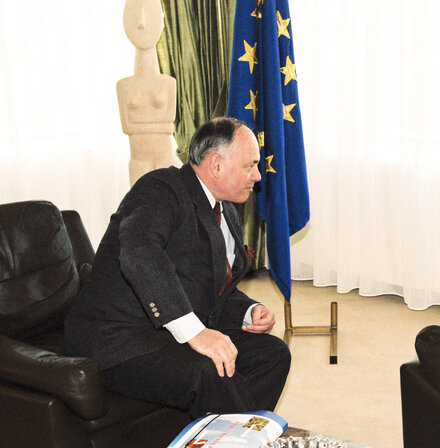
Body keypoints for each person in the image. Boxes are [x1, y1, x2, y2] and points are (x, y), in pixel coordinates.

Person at [64, 117, 291, 419]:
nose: (258, 176)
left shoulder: (227, 211)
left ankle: (234, 436)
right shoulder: (160, 190)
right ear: (217, 165)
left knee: (272, 354)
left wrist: (247, 311)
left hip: (166, 334)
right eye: (250, 165)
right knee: (211, 370)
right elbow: (140, 252)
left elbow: (208, 284)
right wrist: (196, 332)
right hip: (121, 339)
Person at [117, 0, 183, 185]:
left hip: (164, 157)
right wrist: (155, 124)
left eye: (150, 15)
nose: (142, 22)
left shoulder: (169, 83)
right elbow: (127, 127)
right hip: (138, 159)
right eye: (134, 16)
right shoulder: (123, 86)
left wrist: (142, 124)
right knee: (140, 207)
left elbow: (169, 125)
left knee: (170, 206)